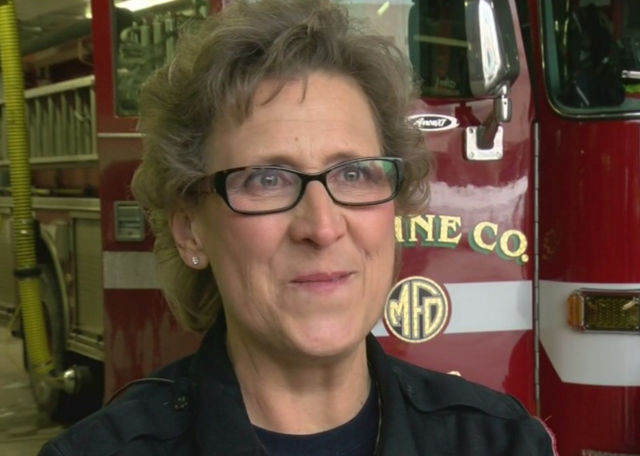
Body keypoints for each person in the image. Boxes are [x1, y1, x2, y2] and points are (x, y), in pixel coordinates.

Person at [39, 1, 556, 455]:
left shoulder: (502, 443)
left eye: (354, 174)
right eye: (267, 180)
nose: (322, 227)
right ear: (190, 230)